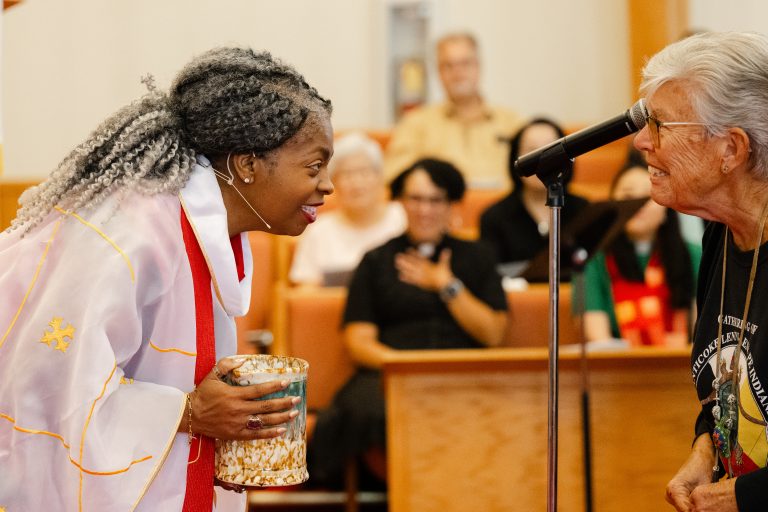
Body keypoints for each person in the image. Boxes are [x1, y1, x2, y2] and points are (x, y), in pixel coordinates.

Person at [0, 47, 334, 511]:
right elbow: (48, 383)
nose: (328, 185)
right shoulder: (131, 233)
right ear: (247, 165)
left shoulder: (211, 229)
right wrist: (189, 411)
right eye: (314, 167)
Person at [309, 158, 507, 488]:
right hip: (391, 371)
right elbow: (359, 341)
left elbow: (494, 334)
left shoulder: (479, 256)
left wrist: (446, 285)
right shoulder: (376, 260)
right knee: (367, 410)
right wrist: (405, 368)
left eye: (435, 200)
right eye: (415, 199)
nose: (424, 210)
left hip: (463, 371)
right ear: (401, 202)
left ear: (452, 204)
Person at [633, 32, 768, 511]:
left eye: (660, 124)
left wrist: (746, 497)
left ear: (731, 149)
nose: (641, 141)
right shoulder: (722, 235)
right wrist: (706, 447)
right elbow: (725, 383)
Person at [579, 162, 700, 347]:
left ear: (666, 207)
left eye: (647, 196)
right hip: (618, 363)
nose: (636, 204)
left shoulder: (694, 254)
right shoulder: (592, 259)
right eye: (628, 196)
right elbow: (599, 339)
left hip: (682, 362)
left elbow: (704, 332)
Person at [383, 32, 525, 189]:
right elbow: (394, 176)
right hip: (440, 204)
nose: (458, 74)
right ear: (438, 72)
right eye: (448, 66)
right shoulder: (415, 124)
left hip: (503, 203)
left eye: (465, 63)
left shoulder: (511, 122)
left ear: (478, 66)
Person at [289, 132, 406, 287]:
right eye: (347, 174)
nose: (357, 183)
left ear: (380, 177)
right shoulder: (319, 231)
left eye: (364, 172)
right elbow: (306, 293)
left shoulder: (403, 218)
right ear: (333, 183)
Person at [479, 118, 590, 275]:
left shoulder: (584, 209)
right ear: (515, 159)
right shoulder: (494, 217)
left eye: (551, 150)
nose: (542, 161)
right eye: (532, 151)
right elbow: (492, 276)